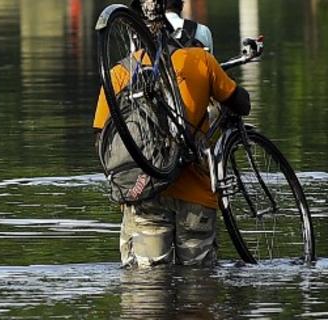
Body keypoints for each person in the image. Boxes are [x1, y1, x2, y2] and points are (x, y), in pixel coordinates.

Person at [93, 0, 251, 268]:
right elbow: (242, 104)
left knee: (147, 294)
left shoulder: (118, 73)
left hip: (145, 196)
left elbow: (101, 140)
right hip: (197, 200)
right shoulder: (200, 60)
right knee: (198, 290)